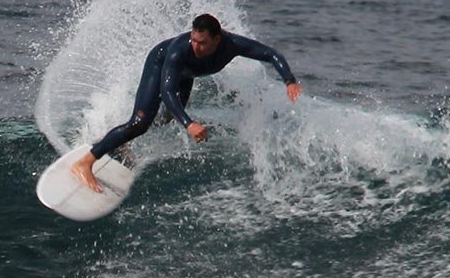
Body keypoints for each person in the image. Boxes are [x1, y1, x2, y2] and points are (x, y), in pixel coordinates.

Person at [71, 13, 302, 192]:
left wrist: (289, 81)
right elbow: (167, 92)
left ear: (217, 39)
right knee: (140, 122)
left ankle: (117, 141)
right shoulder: (178, 52)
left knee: (167, 118)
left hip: (186, 75)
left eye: (201, 42)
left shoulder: (232, 45)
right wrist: (189, 123)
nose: (195, 46)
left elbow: (271, 54)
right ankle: (86, 161)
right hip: (160, 64)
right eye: (193, 40)